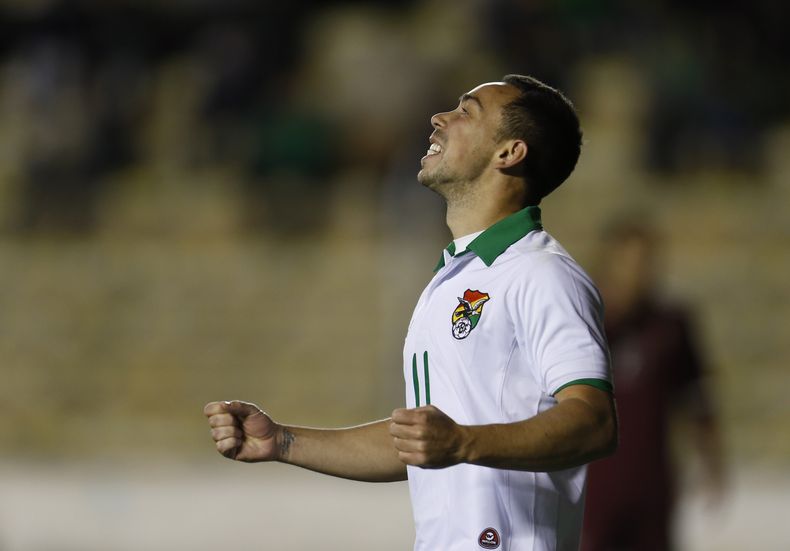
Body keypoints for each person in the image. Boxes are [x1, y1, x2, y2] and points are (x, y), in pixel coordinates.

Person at [205, 74, 618, 551]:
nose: (440, 119)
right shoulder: (453, 279)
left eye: (467, 112)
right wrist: (282, 442)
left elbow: (594, 422)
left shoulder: (542, 274)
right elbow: (419, 443)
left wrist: (462, 441)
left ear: (509, 152)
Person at [581, 217, 725, 551]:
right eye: (627, 262)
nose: (637, 273)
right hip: (595, 485)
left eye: (645, 262)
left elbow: (697, 397)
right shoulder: (584, 322)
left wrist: (713, 461)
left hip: (651, 481)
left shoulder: (671, 325)